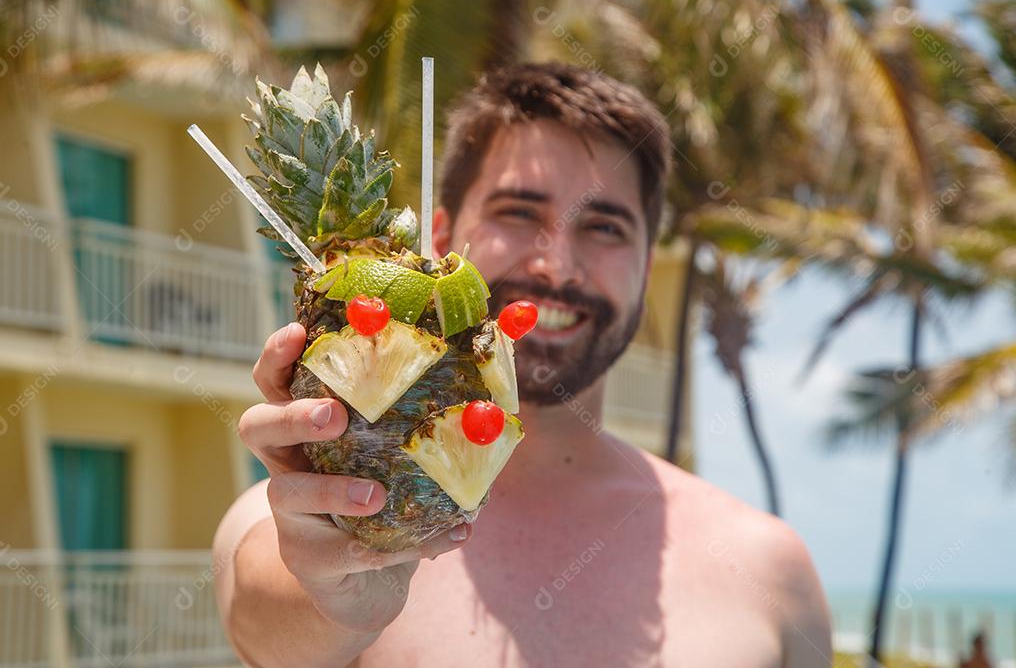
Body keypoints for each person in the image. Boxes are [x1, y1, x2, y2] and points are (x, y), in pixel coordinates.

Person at [213, 62, 832, 667]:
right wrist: (334, 603)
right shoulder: (302, 518)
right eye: (518, 212)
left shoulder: (770, 572)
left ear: (645, 270)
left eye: (605, 227)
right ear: (441, 241)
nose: (556, 266)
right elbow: (262, 628)